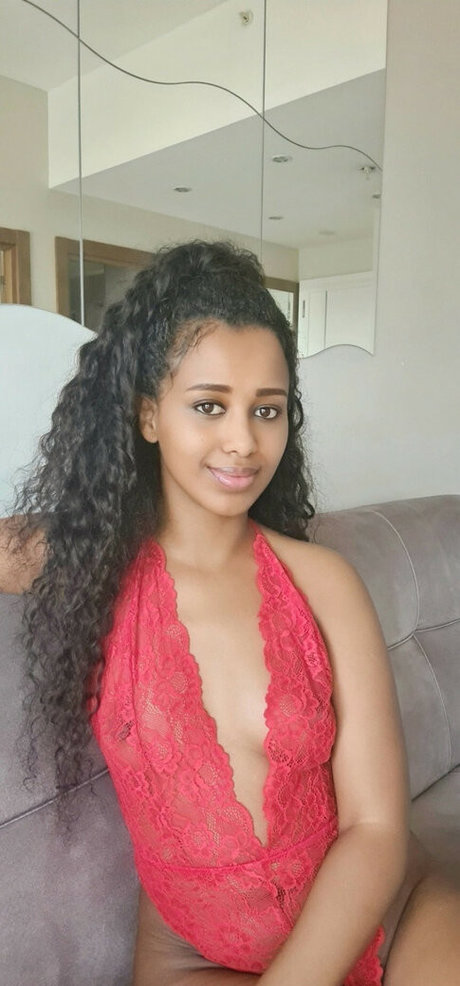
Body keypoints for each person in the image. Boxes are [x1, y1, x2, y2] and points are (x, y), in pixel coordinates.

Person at [0, 240, 459, 986]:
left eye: (266, 410)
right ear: (148, 414)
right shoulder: (84, 561)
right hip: (194, 957)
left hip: (388, 921)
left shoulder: (324, 584)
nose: (243, 441)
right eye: (209, 405)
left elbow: (375, 830)